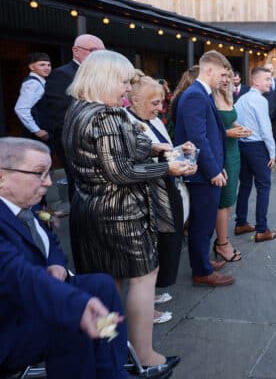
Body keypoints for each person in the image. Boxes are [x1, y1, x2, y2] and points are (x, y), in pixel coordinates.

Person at [62, 50, 187, 376]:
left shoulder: (78, 110)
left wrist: (154, 147)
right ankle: (144, 356)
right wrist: (166, 167)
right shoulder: (105, 116)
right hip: (119, 215)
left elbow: (117, 149)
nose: (126, 90)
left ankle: (106, 351)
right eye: (122, 81)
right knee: (144, 279)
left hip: (88, 210)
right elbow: (120, 171)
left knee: (105, 286)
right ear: (103, 79)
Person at [0, 137, 137, 379]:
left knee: (102, 286)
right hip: (14, 317)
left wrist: (56, 262)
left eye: (48, 172)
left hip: (45, 292)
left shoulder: (26, 204)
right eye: (39, 173)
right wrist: (72, 304)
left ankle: (110, 368)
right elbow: (14, 272)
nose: (49, 182)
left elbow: (49, 240)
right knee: (70, 318)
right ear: (2, 177)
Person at [125, 72, 189, 326]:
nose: (159, 108)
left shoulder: (154, 120)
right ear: (135, 100)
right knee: (151, 247)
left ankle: (152, 292)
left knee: (167, 240)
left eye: (161, 103)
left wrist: (182, 153)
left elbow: (167, 148)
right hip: (147, 191)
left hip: (166, 184)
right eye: (154, 103)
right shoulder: (126, 121)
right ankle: (145, 307)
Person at [174, 50, 236, 287]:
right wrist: (212, 171)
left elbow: (213, 134)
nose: (225, 79)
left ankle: (204, 263)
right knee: (202, 223)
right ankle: (202, 271)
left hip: (208, 169)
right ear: (209, 69)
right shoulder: (195, 96)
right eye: (222, 73)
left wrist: (220, 167)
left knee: (206, 221)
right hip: (201, 174)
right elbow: (198, 138)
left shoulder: (203, 93)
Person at [33, 34, 104, 193]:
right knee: (80, 189)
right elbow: (62, 117)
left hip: (97, 142)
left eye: (102, 52)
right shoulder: (62, 75)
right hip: (76, 145)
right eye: (93, 51)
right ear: (75, 51)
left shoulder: (99, 76)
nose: (99, 56)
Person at [234, 67, 276, 242]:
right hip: (257, 147)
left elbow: (233, 119)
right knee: (263, 186)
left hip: (242, 146)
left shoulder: (242, 99)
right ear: (255, 81)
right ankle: (262, 229)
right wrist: (273, 153)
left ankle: (240, 223)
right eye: (267, 79)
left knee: (245, 185)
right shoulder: (260, 100)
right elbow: (266, 129)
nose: (270, 82)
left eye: (271, 78)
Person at [212, 70, 247, 263]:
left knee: (230, 198)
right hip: (222, 152)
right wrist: (228, 133)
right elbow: (209, 130)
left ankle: (222, 239)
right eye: (222, 75)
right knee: (223, 200)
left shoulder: (227, 95)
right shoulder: (209, 97)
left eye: (228, 76)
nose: (226, 79)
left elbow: (230, 120)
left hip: (234, 151)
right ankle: (222, 244)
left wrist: (240, 128)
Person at [14, 53, 51, 140]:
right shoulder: (33, 83)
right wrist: (36, 130)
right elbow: (21, 109)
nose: (47, 68)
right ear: (31, 67)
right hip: (38, 134)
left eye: (49, 65)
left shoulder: (40, 82)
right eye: (42, 65)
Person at [262, 62, 276, 163]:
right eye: (267, 69)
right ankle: (266, 156)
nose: (270, 70)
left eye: (271, 68)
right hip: (266, 113)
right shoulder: (262, 83)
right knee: (266, 135)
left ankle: (274, 155)